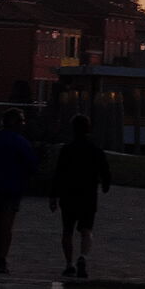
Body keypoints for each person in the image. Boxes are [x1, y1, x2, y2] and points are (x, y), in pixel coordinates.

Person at [0, 109, 41, 274]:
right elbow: (32, 167)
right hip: (12, 188)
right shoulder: (21, 142)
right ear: (16, 123)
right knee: (6, 224)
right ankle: (2, 258)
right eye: (22, 121)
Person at [49, 114, 114, 279]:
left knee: (67, 230)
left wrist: (53, 195)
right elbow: (105, 172)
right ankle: (83, 256)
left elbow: (59, 173)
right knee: (86, 230)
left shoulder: (67, 149)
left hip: (69, 195)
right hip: (88, 195)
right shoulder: (96, 150)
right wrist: (105, 185)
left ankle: (69, 264)